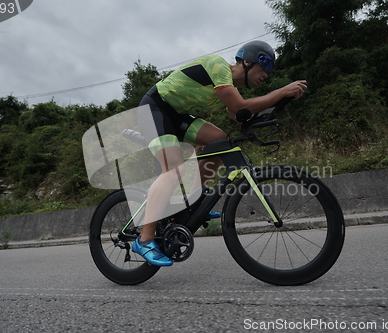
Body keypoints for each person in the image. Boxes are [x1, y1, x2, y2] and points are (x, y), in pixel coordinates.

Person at [131, 40, 308, 266]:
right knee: (174, 168)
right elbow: (240, 107)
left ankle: (193, 202)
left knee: (219, 140)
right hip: (154, 108)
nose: (267, 74)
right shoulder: (218, 67)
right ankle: (144, 239)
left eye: (269, 70)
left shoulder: (227, 86)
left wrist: (282, 101)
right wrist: (281, 90)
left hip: (175, 116)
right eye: (265, 67)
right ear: (247, 61)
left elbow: (242, 116)